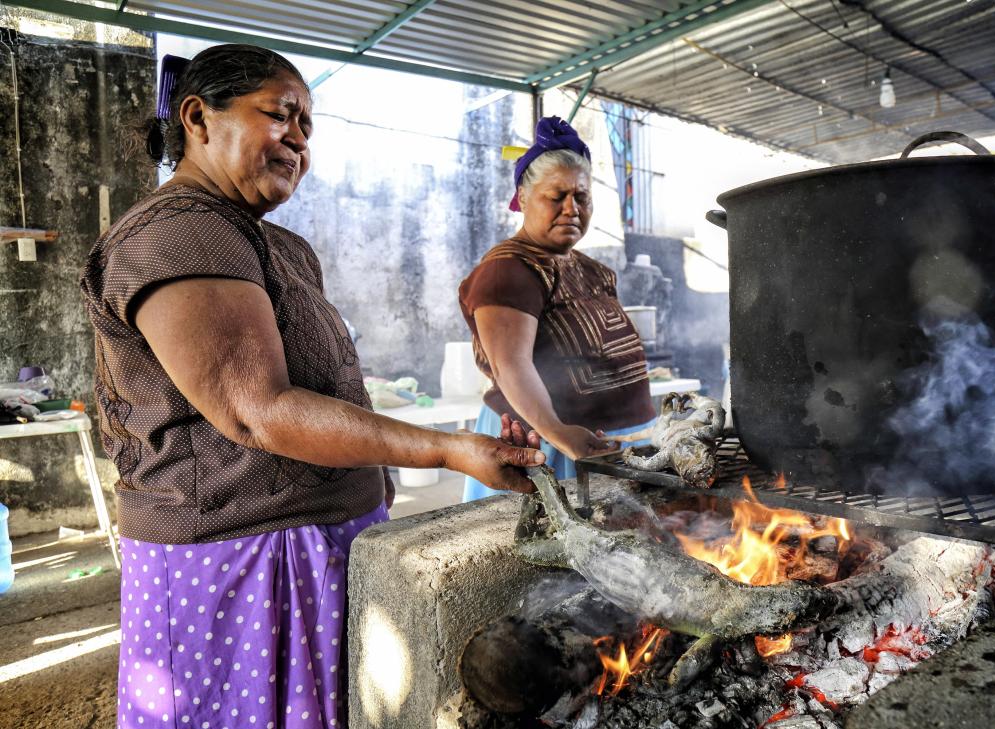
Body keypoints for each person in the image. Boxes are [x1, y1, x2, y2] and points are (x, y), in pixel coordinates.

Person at [79, 45, 544, 729]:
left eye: (308, 125)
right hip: (240, 561)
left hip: (317, 544)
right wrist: (448, 449)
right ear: (197, 118)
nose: (298, 138)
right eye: (280, 114)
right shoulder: (179, 234)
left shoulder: (280, 247)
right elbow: (256, 411)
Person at [459, 117, 657, 501]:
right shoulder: (508, 269)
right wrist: (559, 432)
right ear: (524, 197)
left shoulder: (592, 269)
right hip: (552, 447)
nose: (572, 208)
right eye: (557, 196)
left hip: (609, 446)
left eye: (581, 197)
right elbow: (510, 364)